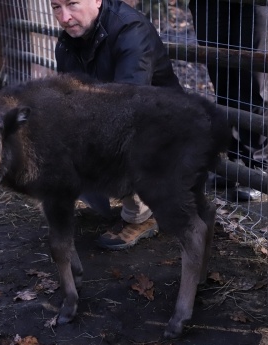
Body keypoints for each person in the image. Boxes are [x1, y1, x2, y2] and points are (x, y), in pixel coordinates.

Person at [50, 0, 183, 250]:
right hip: (110, 112)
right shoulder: (67, 42)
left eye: (73, 4)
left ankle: (143, 215)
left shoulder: (130, 29)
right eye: (56, 7)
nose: (65, 17)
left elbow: (129, 104)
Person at [189, 0, 268, 200]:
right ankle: (236, 163)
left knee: (253, 83)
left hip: (254, 4)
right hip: (210, 4)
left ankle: (258, 166)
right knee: (222, 80)